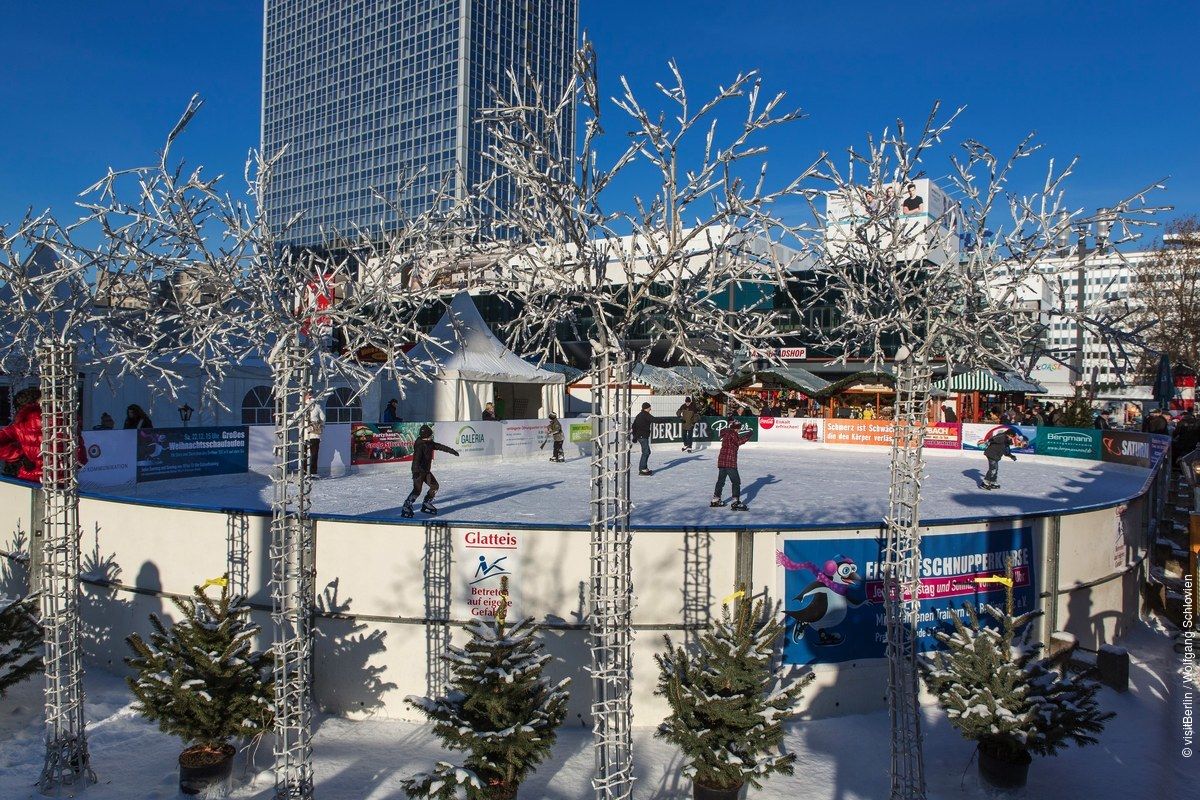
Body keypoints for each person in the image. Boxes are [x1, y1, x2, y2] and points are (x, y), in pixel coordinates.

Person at [0, 388, 87, 483]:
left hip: (31, 480)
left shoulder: (22, 423)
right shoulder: (69, 422)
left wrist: (21, 455)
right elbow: (81, 459)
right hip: (62, 481)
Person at [401, 424, 459, 517]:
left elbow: (440, 446)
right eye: (430, 435)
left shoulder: (430, 443)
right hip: (419, 472)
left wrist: (452, 451)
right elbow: (416, 460)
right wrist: (415, 472)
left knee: (435, 486)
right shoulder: (420, 445)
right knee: (417, 490)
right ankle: (406, 506)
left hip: (426, 471)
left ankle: (426, 502)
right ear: (426, 435)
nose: (431, 437)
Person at [711, 418, 752, 511]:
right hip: (729, 461)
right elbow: (738, 442)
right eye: (739, 428)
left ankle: (716, 499)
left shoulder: (727, 433)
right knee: (736, 481)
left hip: (722, 461)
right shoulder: (733, 433)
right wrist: (748, 435)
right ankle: (735, 501)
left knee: (721, 481)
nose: (739, 430)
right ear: (735, 428)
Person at [303, 391, 325, 478]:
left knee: (307, 454)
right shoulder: (315, 406)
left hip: (308, 435)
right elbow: (323, 418)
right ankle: (311, 472)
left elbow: (323, 418)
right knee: (312, 454)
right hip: (311, 435)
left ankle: (307, 472)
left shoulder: (305, 407)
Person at [631, 402, 656, 475]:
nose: (650, 409)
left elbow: (633, 426)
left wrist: (635, 436)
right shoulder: (645, 415)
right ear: (647, 408)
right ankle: (642, 469)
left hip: (641, 436)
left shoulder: (639, 415)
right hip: (642, 436)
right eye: (649, 407)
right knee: (646, 452)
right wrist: (667, 420)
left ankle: (644, 468)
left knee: (647, 451)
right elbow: (654, 420)